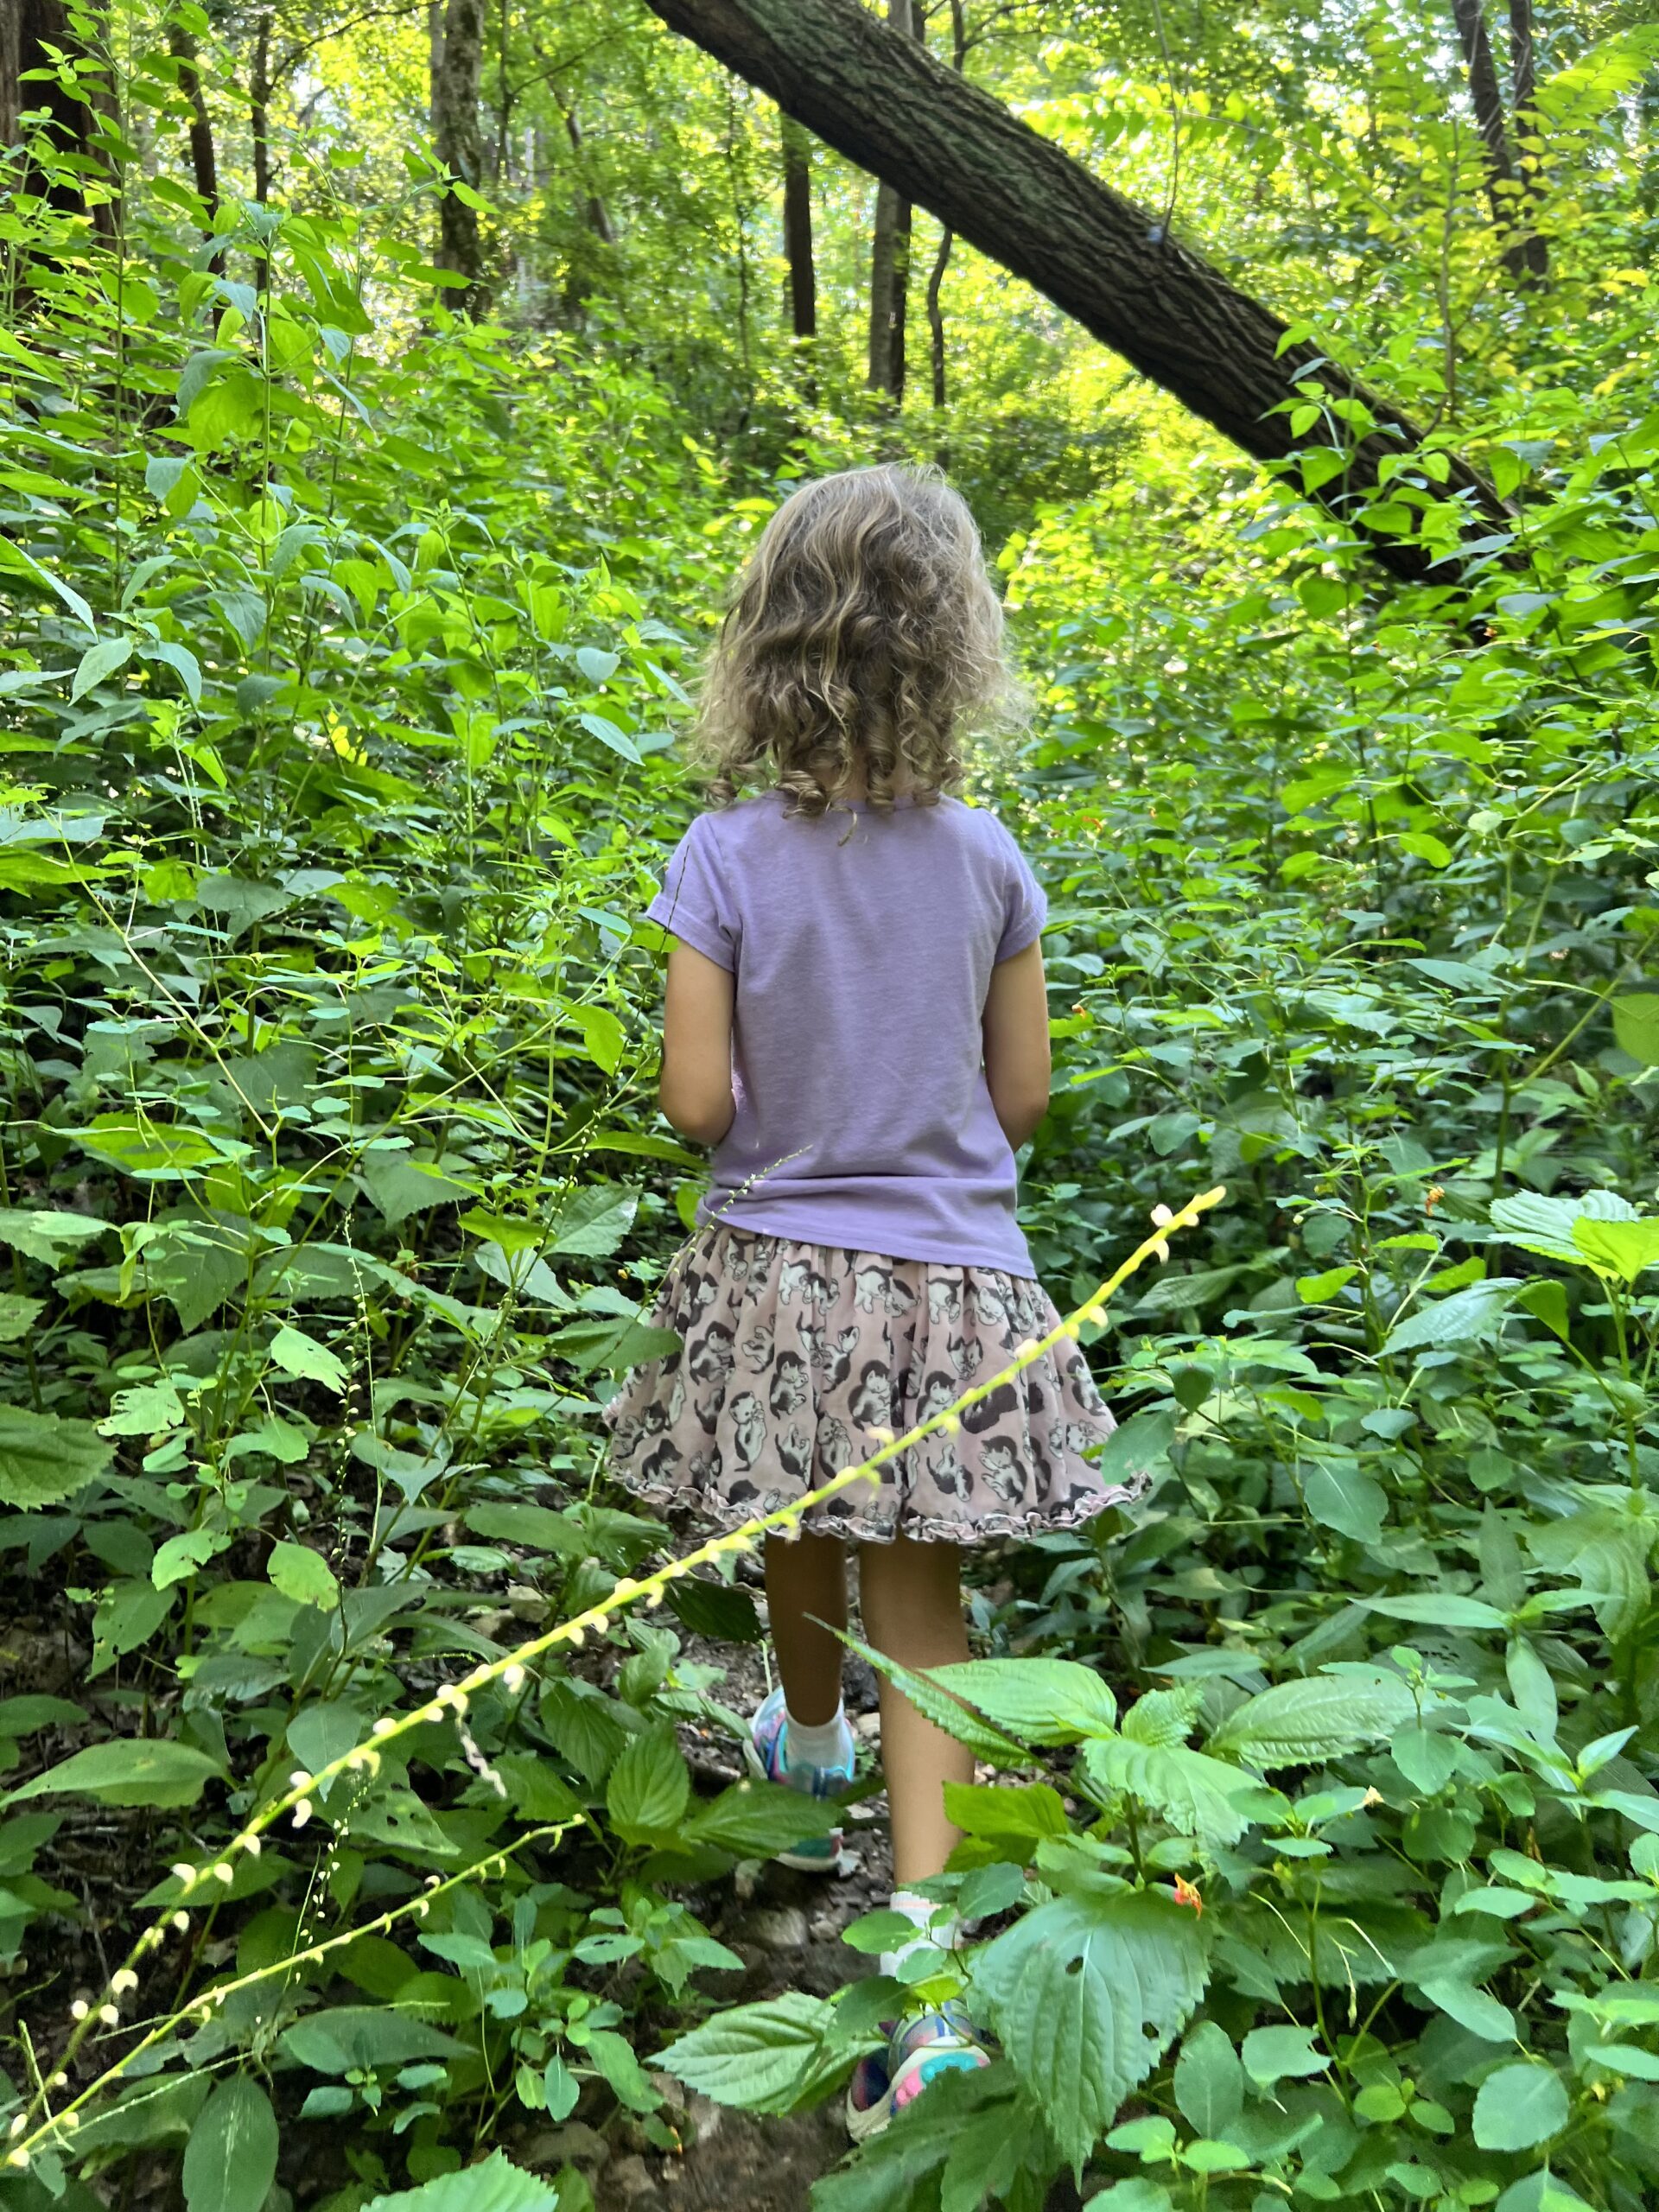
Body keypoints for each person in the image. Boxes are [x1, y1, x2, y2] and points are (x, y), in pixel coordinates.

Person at [602, 463, 1135, 2135]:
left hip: (774, 1262)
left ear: (770, 652)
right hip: (953, 1276)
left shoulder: (722, 855)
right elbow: (1025, 1096)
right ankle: (928, 1992)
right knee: (932, 1617)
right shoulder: (989, 860)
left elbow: (697, 1106)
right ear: (952, 650)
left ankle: (808, 1746)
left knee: (792, 1518)